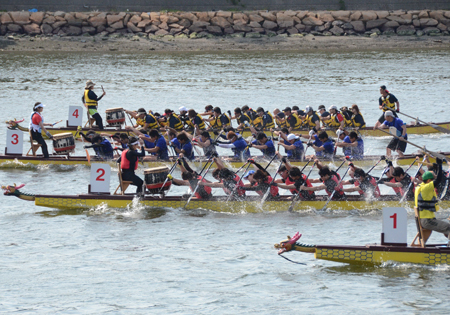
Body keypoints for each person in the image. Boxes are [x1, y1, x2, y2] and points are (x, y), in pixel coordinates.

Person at [415, 165, 450, 246]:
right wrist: (440, 164)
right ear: (429, 181)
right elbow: (438, 180)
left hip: (423, 219)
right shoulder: (426, 188)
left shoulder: (420, 186)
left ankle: (420, 248)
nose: (434, 183)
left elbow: (436, 179)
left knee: (446, 228)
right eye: (432, 180)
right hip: (427, 221)